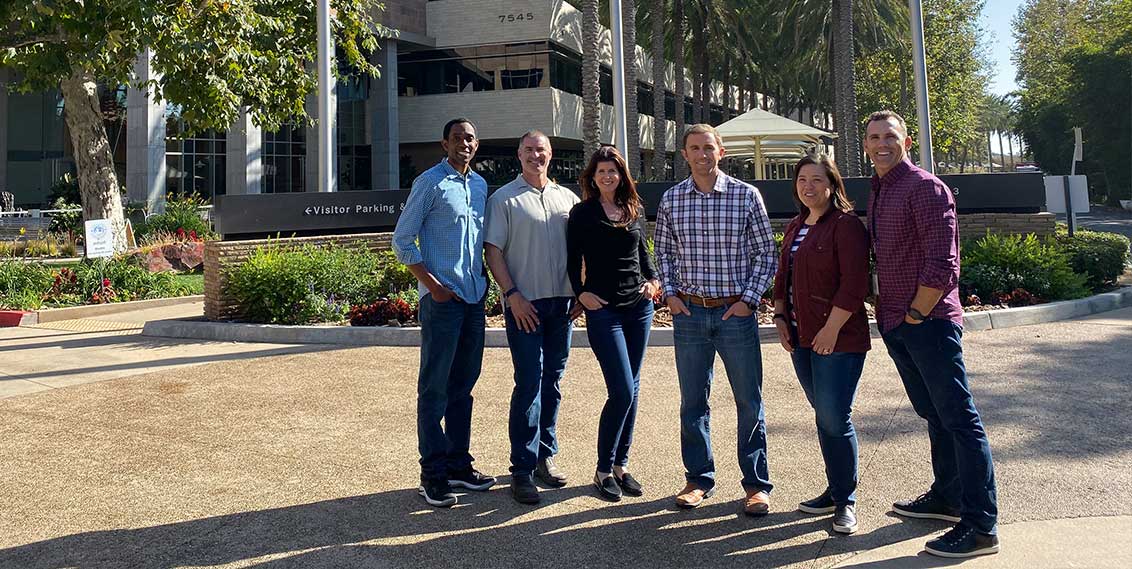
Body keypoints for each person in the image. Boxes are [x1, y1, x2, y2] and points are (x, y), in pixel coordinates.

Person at [865, 110, 999, 558]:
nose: (881, 143)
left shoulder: (925, 187)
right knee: (935, 414)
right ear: (866, 144)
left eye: (889, 136)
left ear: (906, 140)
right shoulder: (881, 188)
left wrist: (918, 316)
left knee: (960, 420)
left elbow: (944, 263)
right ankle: (948, 497)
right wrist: (897, 321)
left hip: (929, 323)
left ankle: (981, 527)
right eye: (874, 137)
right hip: (899, 324)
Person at [654, 124, 778, 516]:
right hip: (689, 313)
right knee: (693, 401)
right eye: (694, 148)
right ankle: (698, 479)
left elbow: (765, 255)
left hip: (734, 314)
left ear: (720, 151)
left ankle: (756, 485)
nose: (702, 154)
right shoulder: (672, 200)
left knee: (748, 400)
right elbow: (664, 254)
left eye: (709, 147)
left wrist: (748, 301)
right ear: (685, 154)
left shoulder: (746, 196)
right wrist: (671, 295)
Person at [392, 117, 496, 508]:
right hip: (442, 303)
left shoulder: (479, 185)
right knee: (434, 388)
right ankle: (433, 474)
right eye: (457, 138)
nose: (464, 144)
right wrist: (433, 287)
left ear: (476, 143)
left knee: (463, 387)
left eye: (470, 138)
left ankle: (458, 464)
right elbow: (402, 241)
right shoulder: (430, 183)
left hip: (472, 301)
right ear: (444, 143)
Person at [771, 153, 870, 534]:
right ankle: (834, 490)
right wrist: (780, 317)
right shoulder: (797, 225)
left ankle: (846, 501)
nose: (808, 186)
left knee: (834, 417)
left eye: (816, 179)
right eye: (801, 180)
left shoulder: (845, 226)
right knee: (824, 417)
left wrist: (831, 329)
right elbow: (784, 276)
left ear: (832, 184)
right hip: (801, 339)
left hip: (838, 340)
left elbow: (854, 283)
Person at [485, 130, 580, 505]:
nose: (535, 155)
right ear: (519, 154)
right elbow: (494, 252)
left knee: (552, 382)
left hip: (562, 305)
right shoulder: (503, 199)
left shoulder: (567, 199)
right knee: (528, 384)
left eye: (540, 150)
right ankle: (521, 469)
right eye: (528, 150)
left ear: (550, 154)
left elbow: (582, 251)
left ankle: (544, 457)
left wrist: (581, 292)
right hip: (525, 306)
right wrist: (512, 296)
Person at [567, 146, 660, 502]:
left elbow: (644, 256)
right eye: (602, 171)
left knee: (632, 388)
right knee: (621, 389)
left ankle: (621, 466)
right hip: (604, 311)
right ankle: (602, 470)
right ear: (593, 176)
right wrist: (581, 293)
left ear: (622, 175)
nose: (608, 177)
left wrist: (654, 282)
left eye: (614, 171)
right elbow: (572, 259)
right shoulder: (583, 213)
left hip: (638, 309)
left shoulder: (634, 209)